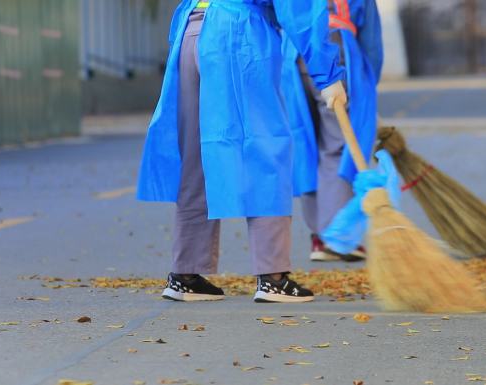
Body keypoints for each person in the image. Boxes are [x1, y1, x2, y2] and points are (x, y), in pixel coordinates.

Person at [137, 0, 347, 303]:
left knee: (196, 158)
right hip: (238, 35)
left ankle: (186, 275)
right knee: (264, 146)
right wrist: (327, 74)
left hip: (191, 30)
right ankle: (273, 277)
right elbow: (298, 10)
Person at [281, 0, 383, 262]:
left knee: (306, 144)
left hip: (294, 57)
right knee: (337, 145)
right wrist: (367, 90)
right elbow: (371, 41)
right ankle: (335, 236)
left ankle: (318, 236)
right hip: (335, 53)